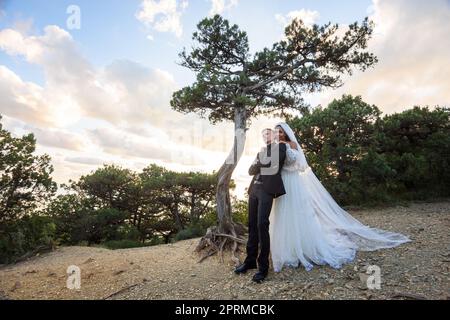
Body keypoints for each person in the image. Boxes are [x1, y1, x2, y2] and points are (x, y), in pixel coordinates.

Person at [269, 122, 411, 272]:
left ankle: (304, 248)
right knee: (283, 214)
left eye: (281, 132)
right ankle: (286, 249)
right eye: (276, 132)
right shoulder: (274, 146)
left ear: (286, 133)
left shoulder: (292, 144)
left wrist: (284, 151)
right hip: (281, 181)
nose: (278, 134)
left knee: (297, 213)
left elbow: (298, 163)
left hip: (293, 181)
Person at [234, 128, 287, 283]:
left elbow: (273, 164)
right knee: (251, 225)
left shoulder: (281, 148)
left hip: (267, 190)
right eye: (263, 134)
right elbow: (251, 170)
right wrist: (260, 163)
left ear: (274, 135)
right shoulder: (261, 151)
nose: (266, 136)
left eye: (268, 133)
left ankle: (263, 267)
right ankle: (249, 261)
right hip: (254, 189)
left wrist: (260, 163)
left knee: (262, 224)